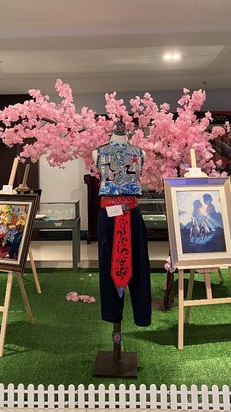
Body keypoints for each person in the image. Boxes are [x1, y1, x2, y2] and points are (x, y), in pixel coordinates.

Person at [92, 120, 151, 327]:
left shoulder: (140, 153)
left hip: (131, 212)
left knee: (139, 264)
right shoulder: (98, 152)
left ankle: (141, 314)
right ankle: (112, 313)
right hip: (108, 214)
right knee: (107, 263)